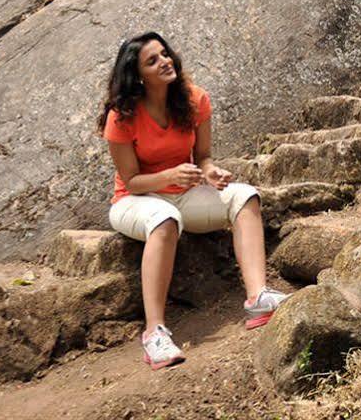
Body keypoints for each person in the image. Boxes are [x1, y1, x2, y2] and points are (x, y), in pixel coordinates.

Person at [99, 32, 286, 370]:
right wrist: (168, 177)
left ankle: (258, 298)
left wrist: (211, 172)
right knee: (163, 219)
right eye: (152, 60)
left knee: (245, 196)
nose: (165, 61)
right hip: (135, 199)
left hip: (183, 194)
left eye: (165, 54)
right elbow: (131, 181)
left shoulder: (195, 99)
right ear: (138, 74)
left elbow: (203, 157)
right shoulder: (122, 116)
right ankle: (154, 334)